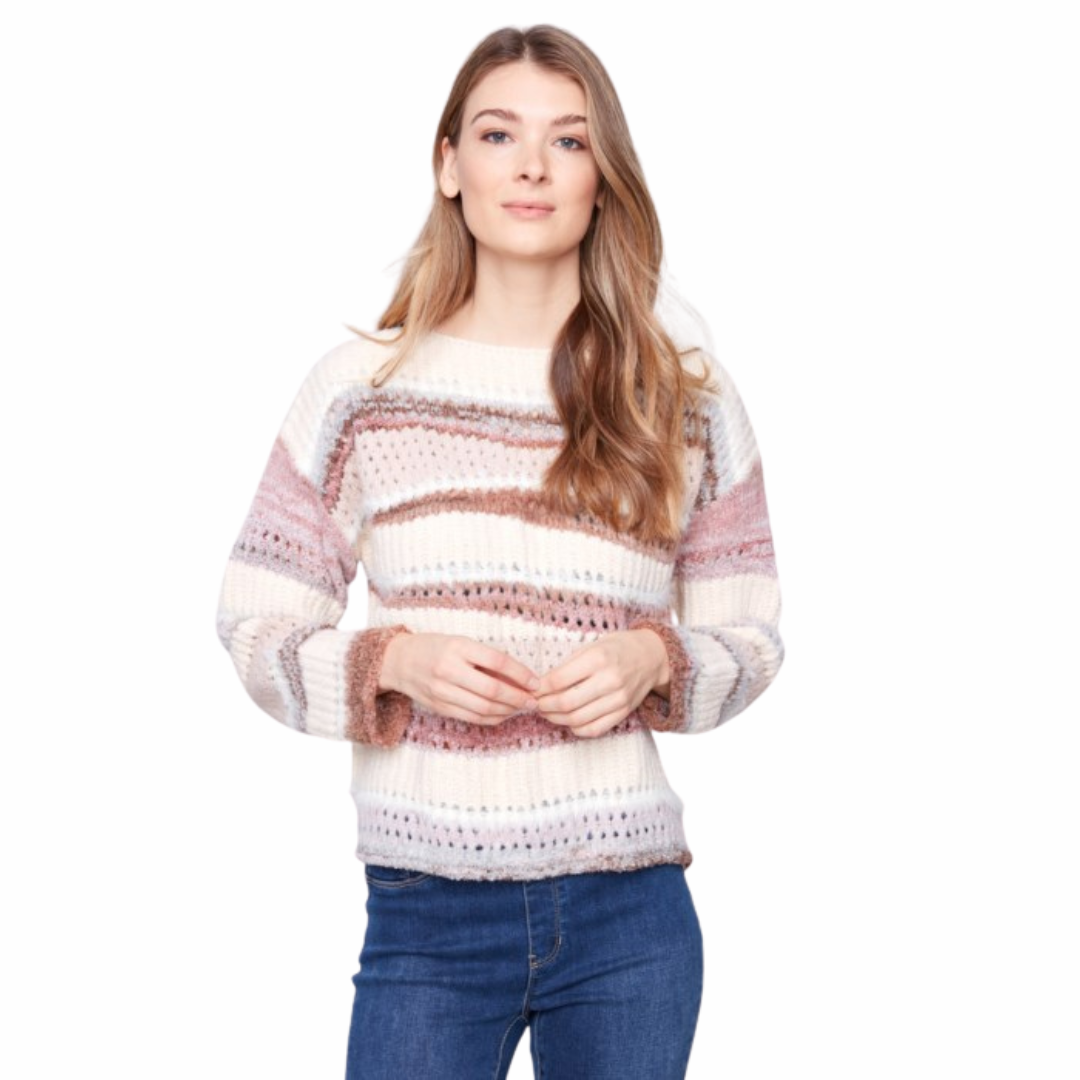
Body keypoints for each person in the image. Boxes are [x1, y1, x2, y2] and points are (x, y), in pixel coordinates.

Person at [215, 23, 784, 1080]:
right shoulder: (361, 392)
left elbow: (750, 636)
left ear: (603, 181)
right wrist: (395, 663)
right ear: (449, 165)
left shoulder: (681, 399)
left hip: (630, 915)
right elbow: (254, 624)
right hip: (426, 914)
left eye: (569, 140)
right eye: (497, 134)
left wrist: (652, 660)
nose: (531, 167)